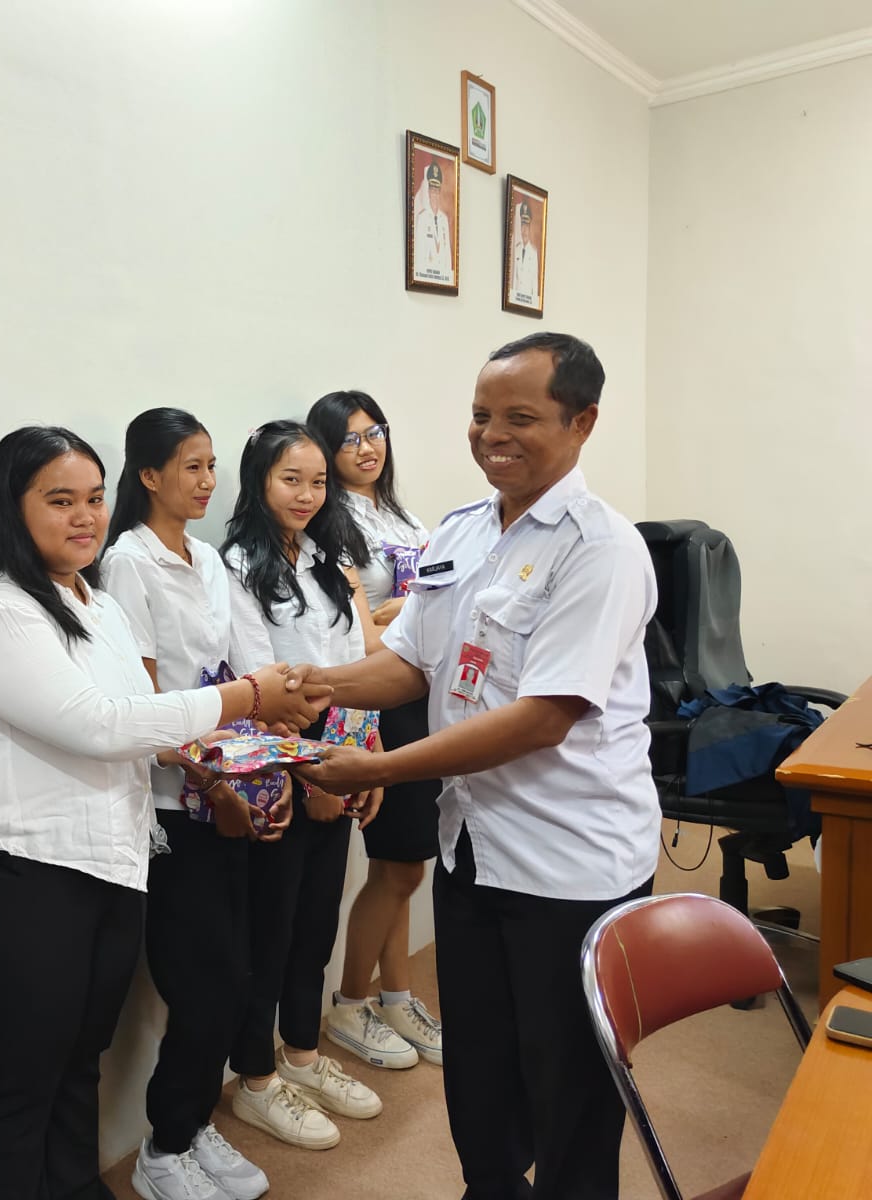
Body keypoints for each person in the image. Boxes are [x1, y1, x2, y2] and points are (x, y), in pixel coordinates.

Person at [290, 333, 661, 1200]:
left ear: (582, 422)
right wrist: (312, 684)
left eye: (520, 417)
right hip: (474, 850)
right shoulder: (461, 531)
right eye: (480, 415)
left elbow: (541, 719)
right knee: (482, 1073)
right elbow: (411, 664)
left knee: (570, 1088)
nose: (492, 435)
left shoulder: (600, 550)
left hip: (570, 863)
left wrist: (379, 769)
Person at [0, 425, 329, 1200]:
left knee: (81, 1066)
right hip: (18, 876)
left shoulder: (95, 603)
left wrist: (244, 754)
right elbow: (102, 725)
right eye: (60, 501)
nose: (85, 516)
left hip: (111, 864)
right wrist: (247, 697)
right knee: (20, 1085)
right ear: (12, 508)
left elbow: (146, 718)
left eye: (92, 498)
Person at [103, 409, 285, 1200]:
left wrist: (267, 754)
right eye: (191, 466)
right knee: (202, 983)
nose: (209, 481)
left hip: (229, 790)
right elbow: (144, 704)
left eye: (212, 465)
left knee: (236, 976)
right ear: (148, 476)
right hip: (176, 805)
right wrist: (211, 780)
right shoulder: (127, 564)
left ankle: (194, 1122)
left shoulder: (207, 558)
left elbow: (243, 673)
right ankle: (163, 1148)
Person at [220, 420, 385, 1152]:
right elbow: (264, 685)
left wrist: (368, 755)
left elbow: (355, 666)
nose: (307, 495)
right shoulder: (235, 566)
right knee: (272, 933)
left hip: (341, 762)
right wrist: (313, 773)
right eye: (291, 479)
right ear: (258, 480)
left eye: (318, 481)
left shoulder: (327, 559)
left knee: (317, 926)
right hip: (281, 781)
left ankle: (304, 1057)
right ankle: (257, 1082)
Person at [306, 391, 442, 1071]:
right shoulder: (332, 523)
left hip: (420, 693)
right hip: (377, 700)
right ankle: (351, 1003)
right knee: (398, 862)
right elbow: (363, 637)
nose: (367, 448)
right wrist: (410, 614)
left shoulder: (403, 514)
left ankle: (396, 996)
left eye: (376, 432)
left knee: (404, 865)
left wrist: (405, 613)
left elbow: (432, 607)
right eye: (350, 439)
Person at [413, 160, 453, 282]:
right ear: (428, 192)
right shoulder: (422, 219)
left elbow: (447, 254)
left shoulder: (444, 219)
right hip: (426, 277)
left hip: (443, 279)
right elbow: (419, 254)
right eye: (432, 190)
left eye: (437, 191)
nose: (435, 194)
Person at [511, 202, 539, 304]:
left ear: (530, 229)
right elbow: (514, 278)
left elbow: (534, 281)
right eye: (522, 226)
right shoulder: (516, 249)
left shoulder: (534, 253)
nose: (524, 231)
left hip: (528, 301)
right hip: (516, 299)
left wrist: (534, 303)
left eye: (526, 227)